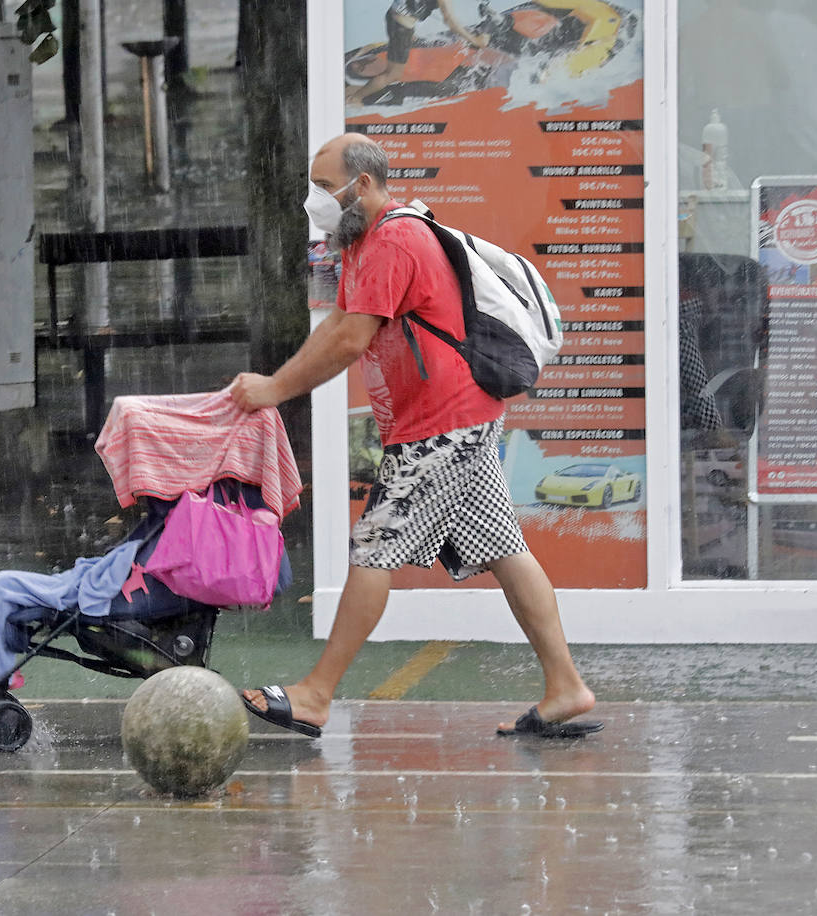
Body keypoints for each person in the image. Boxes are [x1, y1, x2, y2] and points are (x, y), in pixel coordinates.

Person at [230, 133, 601, 739]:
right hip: (455, 418)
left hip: (441, 424)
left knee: (376, 547)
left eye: (325, 188)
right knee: (506, 552)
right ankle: (565, 687)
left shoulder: (396, 239)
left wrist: (274, 388)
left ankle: (316, 695)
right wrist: (278, 381)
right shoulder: (363, 242)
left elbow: (350, 341)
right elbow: (339, 329)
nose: (315, 201)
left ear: (365, 185)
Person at [347, 0, 489, 107]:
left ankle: (389, 53)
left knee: (407, 46)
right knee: (392, 75)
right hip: (401, 29)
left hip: (394, 17)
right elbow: (450, 21)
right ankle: (356, 98)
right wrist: (475, 40)